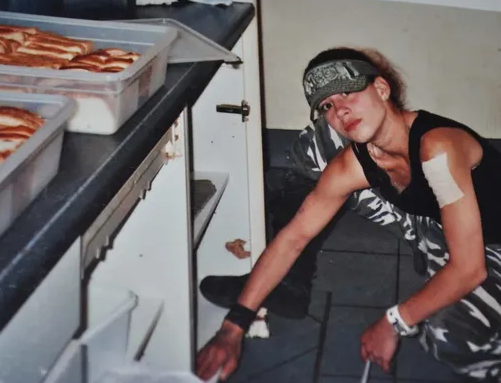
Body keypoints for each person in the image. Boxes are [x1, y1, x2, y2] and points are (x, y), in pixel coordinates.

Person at [195, 47, 501, 383]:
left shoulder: (438, 147)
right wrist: (233, 327)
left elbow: (469, 268)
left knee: (449, 334)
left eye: (348, 92)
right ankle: (292, 283)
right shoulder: (356, 162)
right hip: (435, 226)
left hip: (491, 245)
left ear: (381, 89)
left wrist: (394, 322)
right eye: (327, 105)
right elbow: (294, 237)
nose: (340, 110)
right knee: (320, 144)